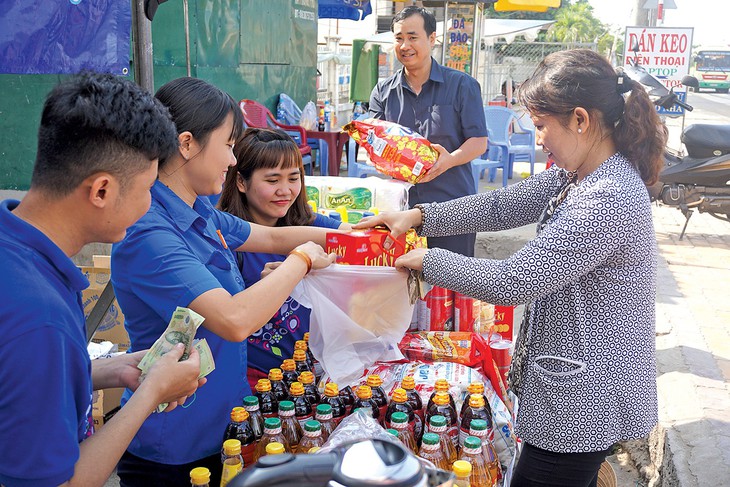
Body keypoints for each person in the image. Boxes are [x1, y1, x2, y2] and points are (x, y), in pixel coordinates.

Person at [356, 49, 665, 487]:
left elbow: (513, 280)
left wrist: (428, 260)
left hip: (584, 404)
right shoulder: (579, 173)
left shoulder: (608, 196)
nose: (538, 140)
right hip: (572, 388)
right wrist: (422, 217)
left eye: (541, 126)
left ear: (580, 120)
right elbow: (504, 203)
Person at [110, 78, 336, 486]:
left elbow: (270, 236)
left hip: (223, 429)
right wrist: (301, 261)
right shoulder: (151, 233)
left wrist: (355, 235)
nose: (233, 160)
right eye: (229, 145)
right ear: (187, 144)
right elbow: (233, 320)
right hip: (173, 444)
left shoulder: (199, 211)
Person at [0, 72, 206, 487]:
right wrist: (151, 394)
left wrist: (113, 370)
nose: (151, 204)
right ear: (101, 191)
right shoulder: (39, 317)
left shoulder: (20, 252)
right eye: (149, 188)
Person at [217, 127, 348, 387]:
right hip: (258, 380)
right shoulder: (226, 238)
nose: (285, 190)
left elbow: (349, 237)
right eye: (273, 180)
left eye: (293, 178)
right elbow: (228, 317)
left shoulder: (307, 223)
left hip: (316, 371)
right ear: (241, 182)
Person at [368, 5, 488, 257]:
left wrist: (449, 160)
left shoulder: (462, 85)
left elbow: (478, 141)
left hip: (453, 205)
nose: (405, 45)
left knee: (454, 284)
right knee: (402, 284)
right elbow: (374, 142)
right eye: (399, 38)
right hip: (400, 206)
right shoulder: (383, 91)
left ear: (432, 39)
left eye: (413, 37)